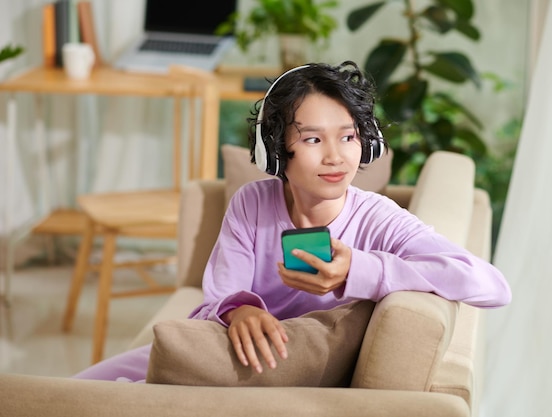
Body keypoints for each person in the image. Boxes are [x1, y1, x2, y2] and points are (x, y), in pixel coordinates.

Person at [74, 61, 511, 382]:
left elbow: (491, 285)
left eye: (348, 136)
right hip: (229, 351)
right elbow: (214, 299)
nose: (336, 156)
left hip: (286, 371)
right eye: (314, 139)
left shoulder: (378, 219)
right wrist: (239, 309)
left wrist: (360, 269)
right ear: (275, 150)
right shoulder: (252, 203)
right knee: (81, 390)